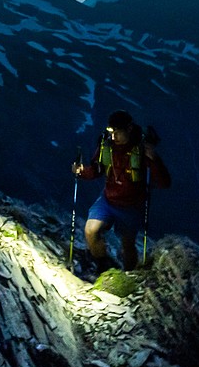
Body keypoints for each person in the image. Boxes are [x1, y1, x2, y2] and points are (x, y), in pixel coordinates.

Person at [72, 110, 171, 273]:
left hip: (131, 206)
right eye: (111, 132)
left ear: (129, 128)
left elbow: (164, 182)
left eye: (117, 132)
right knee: (90, 231)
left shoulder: (141, 150)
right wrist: (81, 171)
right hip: (108, 199)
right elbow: (97, 169)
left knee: (128, 247)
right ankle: (103, 267)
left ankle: (129, 275)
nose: (113, 137)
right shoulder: (107, 146)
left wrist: (154, 159)